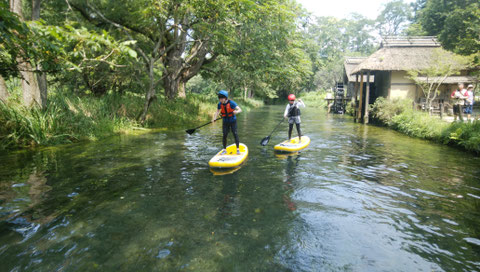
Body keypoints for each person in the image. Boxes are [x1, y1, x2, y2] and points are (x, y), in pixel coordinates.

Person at [212, 90, 242, 155]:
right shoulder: (220, 104)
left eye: (221, 98)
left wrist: (236, 112)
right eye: (219, 98)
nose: (220, 100)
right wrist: (214, 118)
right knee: (224, 135)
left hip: (232, 121)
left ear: (225, 98)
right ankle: (224, 150)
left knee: (235, 134)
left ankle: (238, 149)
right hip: (225, 121)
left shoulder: (231, 103)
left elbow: (240, 109)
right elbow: (217, 112)